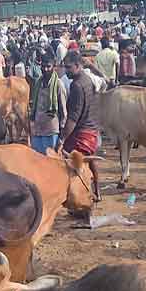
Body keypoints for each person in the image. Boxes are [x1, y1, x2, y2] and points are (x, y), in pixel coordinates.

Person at [61, 51, 101, 201]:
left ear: (78, 66)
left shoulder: (77, 86)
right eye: (65, 67)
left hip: (82, 133)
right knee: (91, 161)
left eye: (69, 67)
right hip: (92, 130)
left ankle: (84, 199)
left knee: (73, 166)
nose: (66, 71)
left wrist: (63, 138)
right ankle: (97, 192)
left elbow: (73, 117)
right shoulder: (88, 79)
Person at [29, 53, 67, 155]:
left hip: (51, 132)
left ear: (54, 67)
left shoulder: (58, 85)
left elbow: (64, 112)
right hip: (37, 131)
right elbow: (34, 107)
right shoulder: (38, 84)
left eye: (48, 66)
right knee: (36, 162)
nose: (45, 69)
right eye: (43, 66)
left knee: (51, 164)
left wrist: (61, 137)